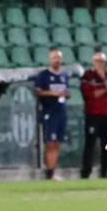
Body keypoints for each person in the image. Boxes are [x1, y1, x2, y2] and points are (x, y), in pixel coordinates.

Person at [33, 48, 70, 180]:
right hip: (49, 112)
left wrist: (66, 94)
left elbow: (66, 91)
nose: (57, 60)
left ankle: (52, 171)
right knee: (50, 142)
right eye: (54, 58)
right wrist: (51, 93)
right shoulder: (43, 75)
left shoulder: (64, 75)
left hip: (61, 112)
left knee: (57, 142)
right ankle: (49, 172)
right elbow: (37, 91)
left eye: (58, 58)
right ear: (50, 59)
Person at [80, 51, 107, 179]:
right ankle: (86, 172)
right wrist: (105, 90)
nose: (100, 64)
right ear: (93, 62)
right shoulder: (87, 76)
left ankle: (104, 172)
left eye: (102, 61)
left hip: (106, 114)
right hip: (92, 114)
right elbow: (90, 94)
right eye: (98, 61)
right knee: (90, 144)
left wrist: (104, 79)